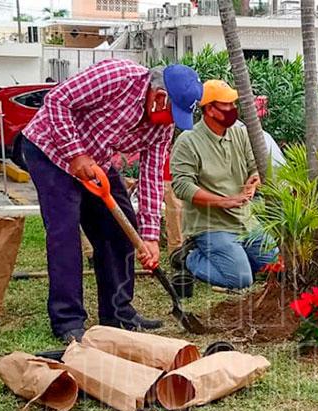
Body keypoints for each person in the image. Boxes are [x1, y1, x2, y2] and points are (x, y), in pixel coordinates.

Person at [21, 59, 202, 343]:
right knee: (64, 233)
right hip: (50, 152)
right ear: (159, 96)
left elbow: (152, 176)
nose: (171, 122)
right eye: (172, 112)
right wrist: (75, 153)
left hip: (97, 164)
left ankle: (118, 312)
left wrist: (151, 236)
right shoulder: (118, 76)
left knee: (120, 232)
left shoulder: (161, 127)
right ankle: (68, 320)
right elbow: (56, 100)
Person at [170, 80, 279, 290]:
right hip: (211, 224)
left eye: (233, 104)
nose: (233, 109)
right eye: (227, 105)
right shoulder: (188, 140)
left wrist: (253, 181)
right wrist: (223, 202)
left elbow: (254, 166)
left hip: (246, 219)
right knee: (240, 279)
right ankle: (190, 257)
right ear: (209, 109)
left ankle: (236, 255)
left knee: (274, 268)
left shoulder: (240, 131)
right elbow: (182, 186)